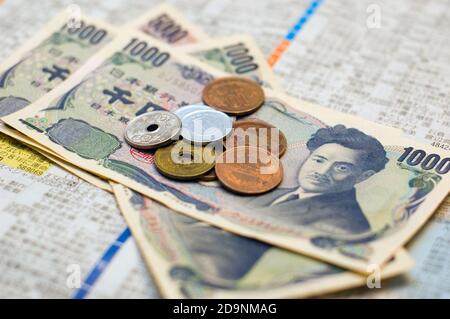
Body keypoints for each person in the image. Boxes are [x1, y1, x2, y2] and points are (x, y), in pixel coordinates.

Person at [254, 125, 389, 236]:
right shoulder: (269, 192)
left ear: (364, 176)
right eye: (318, 160)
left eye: (341, 168)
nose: (321, 172)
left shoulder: (347, 226)